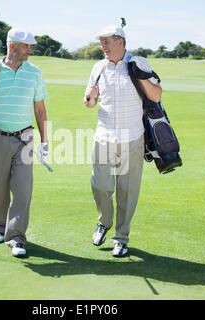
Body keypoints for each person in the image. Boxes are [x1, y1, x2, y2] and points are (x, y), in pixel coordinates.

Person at [84, 25, 162, 257]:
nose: (103, 47)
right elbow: (88, 100)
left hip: (132, 137)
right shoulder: (98, 67)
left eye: (106, 42)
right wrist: (90, 98)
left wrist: (140, 76)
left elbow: (156, 95)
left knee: (127, 191)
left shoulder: (139, 63)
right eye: (102, 43)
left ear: (120, 42)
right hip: (104, 136)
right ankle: (104, 222)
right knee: (100, 186)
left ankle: (121, 237)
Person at [0, 28, 49, 258]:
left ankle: (16, 236)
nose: (30, 50)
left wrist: (44, 141)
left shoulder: (35, 73)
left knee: (23, 189)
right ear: (12, 47)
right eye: (26, 46)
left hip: (25, 138)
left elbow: (39, 108)